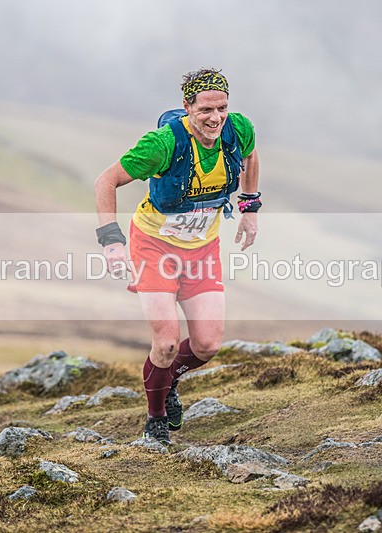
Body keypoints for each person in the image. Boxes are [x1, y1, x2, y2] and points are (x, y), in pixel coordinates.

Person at [93, 68, 260, 445]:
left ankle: (167, 381)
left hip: (203, 248)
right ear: (187, 107)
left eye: (222, 108)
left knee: (208, 344)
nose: (215, 118)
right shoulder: (162, 144)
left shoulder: (239, 129)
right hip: (155, 245)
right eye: (205, 110)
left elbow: (251, 156)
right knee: (166, 343)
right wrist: (111, 240)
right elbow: (106, 180)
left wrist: (250, 206)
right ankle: (155, 422)